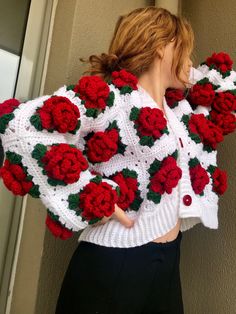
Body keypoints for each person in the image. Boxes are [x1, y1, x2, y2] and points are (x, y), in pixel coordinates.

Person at [0, 5, 235, 314]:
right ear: (162, 47)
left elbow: (224, 84)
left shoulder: (179, 110)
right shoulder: (114, 98)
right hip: (116, 263)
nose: (191, 61)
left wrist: (177, 69)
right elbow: (21, 128)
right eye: (185, 50)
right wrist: (92, 196)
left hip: (167, 261)